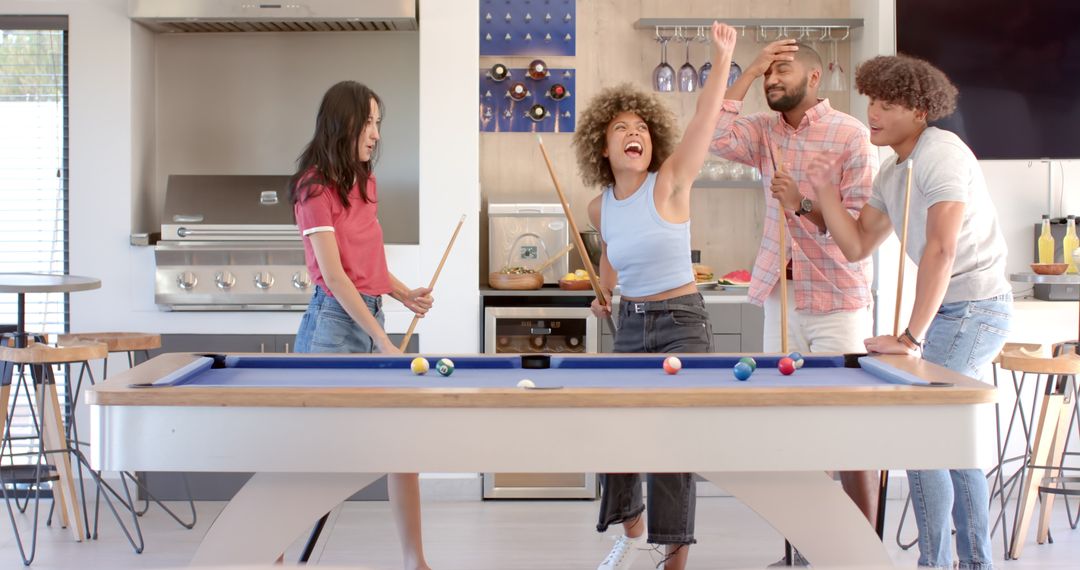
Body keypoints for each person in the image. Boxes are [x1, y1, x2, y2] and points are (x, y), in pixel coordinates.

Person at [809, 54, 1012, 570]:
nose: (873, 112)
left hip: (975, 308)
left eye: (889, 104)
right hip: (951, 311)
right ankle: (971, 564)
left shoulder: (942, 155)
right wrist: (826, 193)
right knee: (948, 439)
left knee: (922, 432)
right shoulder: (894, 170)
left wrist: (910, 336)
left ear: (921, 110)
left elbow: (942, 250)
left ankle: (938, 564)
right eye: (872, 100)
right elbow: (856, 244)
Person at [708, 38, 881, 563]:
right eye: (767, 74)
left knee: (849, 431)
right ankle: (802, 549)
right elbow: (713, 135)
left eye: (781, 70)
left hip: (837, 301)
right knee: (788, 431)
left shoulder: (850, 135)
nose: (771, 80)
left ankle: (860, 551)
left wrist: (802, 204)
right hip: (781, 297)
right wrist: (747, 67)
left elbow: (856, 234)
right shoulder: (763, 132)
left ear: (814, 77)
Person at [572, 22, 737, 570]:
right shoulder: (601, 209)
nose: (633, 132)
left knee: (672, 444)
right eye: (621, 127)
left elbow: (703, 122)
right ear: (604, 145)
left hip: (681, 320)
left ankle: (674, 555)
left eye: (641, 126)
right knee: (616, 427)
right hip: (631, 323)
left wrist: (720, 59)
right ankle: (635, 527)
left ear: (652, 142)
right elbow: (612, 258)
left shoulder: (670, 181)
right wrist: (604, 292)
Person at [290, 80, 435, 570]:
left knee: (403, 446)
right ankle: (270, 552)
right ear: (343, 123)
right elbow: (333, 275)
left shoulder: (364, 182)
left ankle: (416, 561)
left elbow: (364, 262)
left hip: (368, 312)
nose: (375, 134)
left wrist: (402, 292)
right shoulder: (314, 187)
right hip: (333, 324)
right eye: (368, 122)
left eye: (378, 123)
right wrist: (382, 340)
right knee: (313, 457)